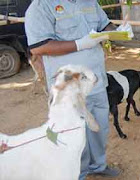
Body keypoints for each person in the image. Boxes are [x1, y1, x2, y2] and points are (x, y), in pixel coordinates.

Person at [24, 0, 133, 179]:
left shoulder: (89, 1)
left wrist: (118, 31)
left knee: (99, 128)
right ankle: (78, 173)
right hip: (68, 88)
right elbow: (38, 46)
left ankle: (98, 166)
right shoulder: (41, 6)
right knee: (73, 134)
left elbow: (104, 25)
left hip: (96, 80)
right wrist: (79, 44)